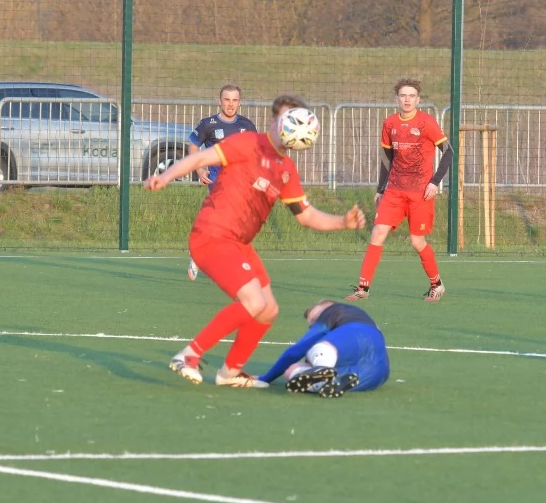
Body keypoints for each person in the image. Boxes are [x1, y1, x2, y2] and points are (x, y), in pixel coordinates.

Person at [145, 95, 366, 388]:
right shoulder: (248, 143)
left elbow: (305, 215)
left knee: (269, 308)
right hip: (212, 234)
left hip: (239, 244)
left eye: (299, 121)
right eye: (289, 119)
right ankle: (189, 355)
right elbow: (200, 158)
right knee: (253, 301)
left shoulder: (286, 168)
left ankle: (229, 373)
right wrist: (168, 175)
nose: (293, 127)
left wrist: (342, 222)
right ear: (274, 121)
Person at [347, 78, 454, 302]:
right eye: (403, 95)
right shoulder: (390, 124)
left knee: (417, 242)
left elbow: (448, 152)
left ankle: (437, 284)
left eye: (411, 96)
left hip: (420, 192)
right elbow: (387, 158)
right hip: (394, 190)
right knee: (377, 233)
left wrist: (435, 182)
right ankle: (362, 289)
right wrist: (380, 188)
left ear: (418, 99)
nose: (407, 100)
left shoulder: (426, 123)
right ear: (397, 99)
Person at [184, 84, 257, 281]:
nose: (230, 104)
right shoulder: (208, 125)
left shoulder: (247, 125)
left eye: (234, 100)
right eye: (227, 100)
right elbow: (192, 147)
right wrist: (199, 169)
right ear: (220, 101)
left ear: (239, 102)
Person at [257, 299, 390, 398]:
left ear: (326, 307)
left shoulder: (333, 310)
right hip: (378, 374)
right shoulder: (360, 316)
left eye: (315, 319)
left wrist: (265, 378)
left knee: (315, 348)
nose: (314, 325)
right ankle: (327, 382)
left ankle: (321, 371)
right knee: (292, 372)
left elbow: (296, 351)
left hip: (357, 335)